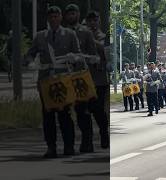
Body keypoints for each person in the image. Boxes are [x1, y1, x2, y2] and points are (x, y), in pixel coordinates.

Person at [26, 6, 80, 158]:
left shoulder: (69, 34)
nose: (54, 19)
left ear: (61, 18)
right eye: (51, 17)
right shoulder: (40, 36)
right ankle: (51, 147)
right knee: (48, 116)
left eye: (56, 16)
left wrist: (74, 58)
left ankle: (69, 146)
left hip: (64, 79)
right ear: (48, 19)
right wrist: (31, 63)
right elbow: (30, 54)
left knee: (65, 115)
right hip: (46, 80)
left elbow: (78, 54)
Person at [64, 4, 98, 153]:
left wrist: (82, 58)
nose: (71, 16)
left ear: (78, 14)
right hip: (64, 77)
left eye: (74, 13)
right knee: (64, 112)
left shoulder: (86, 33)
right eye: (69, 14)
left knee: (82, 111)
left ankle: (87, 142)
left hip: (80, 77)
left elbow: (94, 56)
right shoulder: (62, 33)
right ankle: (69, 145)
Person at [85, 10, 109, 149]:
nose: (92, 23)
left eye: (95, 20)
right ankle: (87, 140)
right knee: (85, 109)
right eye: (90, 20)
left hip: (99, 78)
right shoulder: (81, 36)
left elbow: (106, 52)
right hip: (83, 78)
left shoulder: (105, 36)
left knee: (97, 108)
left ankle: (103, 134)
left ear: (99, 21)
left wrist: (91, 39)